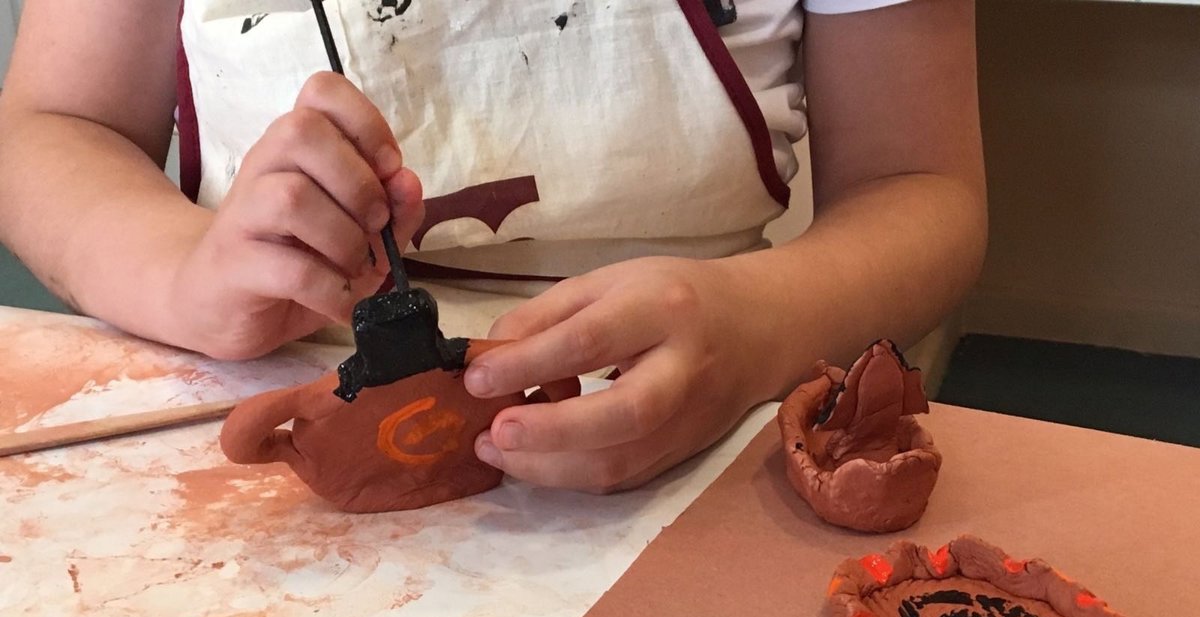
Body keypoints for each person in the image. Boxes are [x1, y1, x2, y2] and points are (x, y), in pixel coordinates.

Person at [0, 0, 986, 494]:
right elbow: (49, 128)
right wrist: (182, 272)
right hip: (247, 449)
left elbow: (918, 185)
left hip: (691, 431)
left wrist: (767, 323)